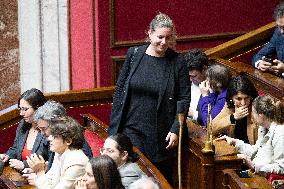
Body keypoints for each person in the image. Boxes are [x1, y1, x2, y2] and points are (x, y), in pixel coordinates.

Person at [108, 12, 190, 183]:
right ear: (150, 33)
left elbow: (184, 98)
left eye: (168, 37)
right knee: (131, 175)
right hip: (131, 127)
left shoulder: (177, 62)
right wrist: (114, 126)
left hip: (160, 132)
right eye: (160, 37)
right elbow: (120, 90)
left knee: (158, 179)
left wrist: (176, 129)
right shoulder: (134, 54)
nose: (164, 42)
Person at [23, 100, 93, 185]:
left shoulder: (79, 156)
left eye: (44, 129)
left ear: (57, 125)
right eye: (39, 129)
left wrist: (40, 173)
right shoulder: (59, 147)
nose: (42, 133)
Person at [217, 96, 284, 175]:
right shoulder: (263, 128)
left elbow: (281, 168)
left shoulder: (280, 134)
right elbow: (255, 151)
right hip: (254, 172)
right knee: (226, 175)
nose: (251, 115)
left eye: (253, 112)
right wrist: (235, 142)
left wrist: (254, 166)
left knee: (231, 180)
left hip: (266, 179)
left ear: (260, 115)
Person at [28, 116, 89, 189]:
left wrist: (40, 171)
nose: (49, 139)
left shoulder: (77, 163)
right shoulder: (60, 152)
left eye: (54, 136)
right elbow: (50, 182)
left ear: (68, 141)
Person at [0, 88, 49, 170]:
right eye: (20, 109)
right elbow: (15, 148)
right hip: (20, 175)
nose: (21, 113)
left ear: (38, 108)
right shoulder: (23, 124)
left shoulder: (48, 128)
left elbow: (49, 159)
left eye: (25, 109)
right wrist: (7, 156)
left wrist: (24, 165)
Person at [212, 75, 259, 144]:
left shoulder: (257, 107)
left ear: (251, 96)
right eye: (238, 99)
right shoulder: (230, 106)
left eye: (246, 98)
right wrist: (233, 117)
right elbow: (211, 128)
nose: (243, 103)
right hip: (235, 148)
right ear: (231, 98)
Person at [252, 2, 284, 77]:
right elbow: (259, 55)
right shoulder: (278, 33)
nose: (282, 31)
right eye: (279, 27)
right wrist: (260, 63)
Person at [185, 48, 209, 124]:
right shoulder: (185, 80)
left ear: (204, 69)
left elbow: (210, 119)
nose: (190, 79)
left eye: (194, 76)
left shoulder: (215, 86)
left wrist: (191, 113)